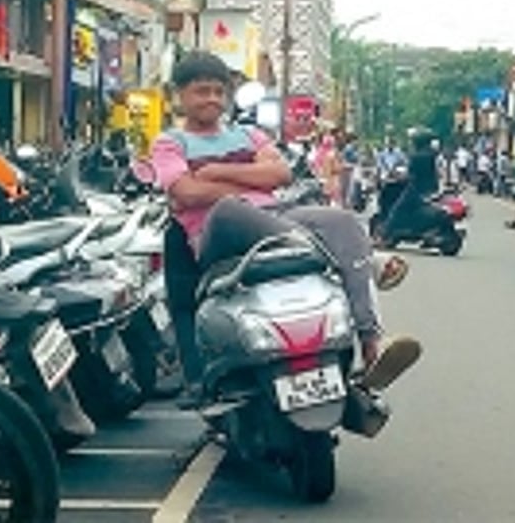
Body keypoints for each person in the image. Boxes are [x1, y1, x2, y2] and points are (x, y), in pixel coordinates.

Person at [151, 53, 419, 402]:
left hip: (277, 220)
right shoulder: (170, 142)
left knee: (344, 221)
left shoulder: (249, 134)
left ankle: (371, 343)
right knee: (230, 208)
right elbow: (185, 192)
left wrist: (214, 172)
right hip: (218, 232)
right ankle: (365, 258)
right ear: (180, 95)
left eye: (219, 91)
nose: (213, 99)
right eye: (202, 91)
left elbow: (280, 174)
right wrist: (250, 183)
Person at [378, 128, 440, 242]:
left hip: (416, 190)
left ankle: (384, 237)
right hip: (431, 188)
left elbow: (409, 174)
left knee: (396, 210)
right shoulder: (430, 154)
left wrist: (396, 177)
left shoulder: (416, 156)